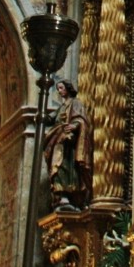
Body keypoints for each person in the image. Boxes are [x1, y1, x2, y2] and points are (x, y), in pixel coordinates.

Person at [43, 80, 93, 211]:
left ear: (68, 88)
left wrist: (74, 125)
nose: (59, 91)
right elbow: (51, 118)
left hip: (69, 144)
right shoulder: (61, 107)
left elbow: (81, 118)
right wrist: (42, 115)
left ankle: (68, 195)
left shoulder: (75, 103)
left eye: (61, 88)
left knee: (66, 167)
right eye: (58, 89)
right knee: (57, 167)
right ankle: (60, 195)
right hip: (59, 140)